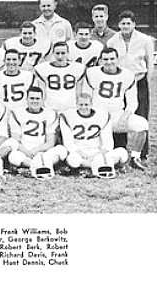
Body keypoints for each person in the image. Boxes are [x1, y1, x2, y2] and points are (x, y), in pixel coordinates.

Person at [84, 47, 149, 169]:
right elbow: (86, 97)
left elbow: (132, 102)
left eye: (112, 58)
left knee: (142, 124)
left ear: (117, 59)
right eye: (105, 59)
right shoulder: (92, 73)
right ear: (100, 60)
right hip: (97, 115)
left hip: (117, 114)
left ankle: (135, 157)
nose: (109, 62)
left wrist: (124, 118)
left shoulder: (128, 75)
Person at [106, 10, 153, 158]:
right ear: (118, 24)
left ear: (134, 24)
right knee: (120, 114)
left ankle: (141, 152)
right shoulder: (113, 41)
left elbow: (150, 63)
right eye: (123, 23)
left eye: (128, 23)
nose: (125, 26)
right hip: (121, 84)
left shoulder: (145, 40)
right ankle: (119, 150)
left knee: (140, 114)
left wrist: (147, 81)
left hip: (139, 81)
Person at [59, 93, 129, 178]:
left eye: (86, 104)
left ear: (91, 104)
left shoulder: (102, 115)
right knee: (72, 160)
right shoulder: (69, 116)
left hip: (98, 151)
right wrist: (80, 153)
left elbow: (108, 141)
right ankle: (101, 166)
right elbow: (68, 142)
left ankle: (89, 167)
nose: (83, 107)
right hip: (79, 152)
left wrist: (99, 154)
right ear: (76, 104)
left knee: (123, 152)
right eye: (81, 104)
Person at [7, 86, 67, 176]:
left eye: (37, 98)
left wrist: (37, 150)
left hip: (43, 152)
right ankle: (42, 166)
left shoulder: (50, 113)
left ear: (43, 100)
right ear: (26, 99)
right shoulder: (17, 113)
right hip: (25, 153)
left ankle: (32, 168)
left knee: (61, 150)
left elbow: (50, 142)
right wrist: (27, 152)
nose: (35, 101)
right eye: (32, 98)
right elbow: (15, 140)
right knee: (13, 156)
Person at [34, 42, 85, 112]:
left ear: (68, 53)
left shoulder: (77, 68)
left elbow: (78, 91)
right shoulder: (43, 69)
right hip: (50, 108)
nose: (60, 56)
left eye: (63, 53)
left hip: (71, 108)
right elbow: (42, 91)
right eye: (57, 53)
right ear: (53, 53)